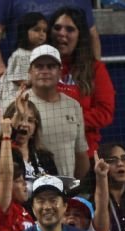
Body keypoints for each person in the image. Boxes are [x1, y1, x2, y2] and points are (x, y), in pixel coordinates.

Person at [47, 8, 112, 158]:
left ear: (80, 36)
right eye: (57, 28)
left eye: (70, 29)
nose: (62, 33)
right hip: (44, 152)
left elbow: (105, 113)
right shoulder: (38, 67)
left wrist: (66, 121)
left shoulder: (95, 69)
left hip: (84, 153)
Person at [25, 45, 89, 181]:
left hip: (67, 191)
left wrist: (81, 190)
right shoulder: (19, 105)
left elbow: (80, 153)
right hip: (33, 190)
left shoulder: (73, 105)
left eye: (50, 66)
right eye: (39, 66)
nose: (45, 71)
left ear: (60, 72)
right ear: (30, 71)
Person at [0, 13, 49, 113]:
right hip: (16, 95)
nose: (42, 34)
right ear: (25, 31)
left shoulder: (43, 54)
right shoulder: (20, 54)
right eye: (36, 30)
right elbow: (15, 78)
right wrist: (32, 82)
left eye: (44, 31)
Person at [0, 95, 58, 183]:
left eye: (30, 120)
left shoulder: (45, 157)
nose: (24, 124)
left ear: (35, 127)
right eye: (20, 118)